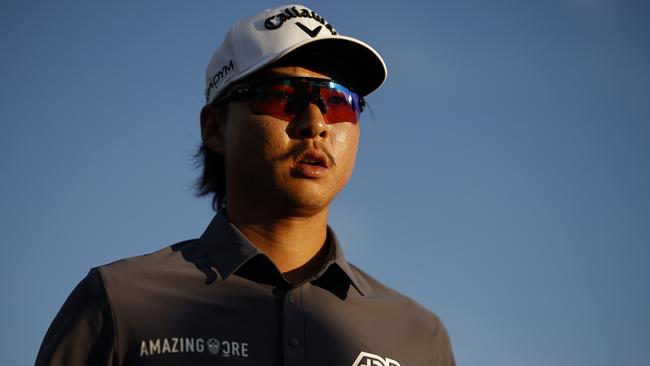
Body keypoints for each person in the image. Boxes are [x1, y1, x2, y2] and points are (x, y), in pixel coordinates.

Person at [36, 4, 455, 366]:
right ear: (215, 128)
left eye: (338, 101)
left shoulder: (419, 339)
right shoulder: (120, 303)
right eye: (283, 94)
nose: (316, 124)